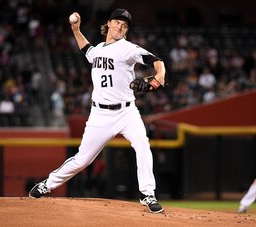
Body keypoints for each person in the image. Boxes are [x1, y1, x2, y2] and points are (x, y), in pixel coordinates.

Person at [29, 9, 165, 214]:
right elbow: (87, 49)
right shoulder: (99, 49)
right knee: (82, 159)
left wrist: (159, 77)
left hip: (126, 112)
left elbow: (156, 61)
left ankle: (148, 194)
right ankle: (47, 184)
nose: (120, 26)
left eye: (125, 25)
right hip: (100, 115)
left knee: (142, 145)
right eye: (117, 22)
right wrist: (76, 29)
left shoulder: (127, 48)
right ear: (108, 24)